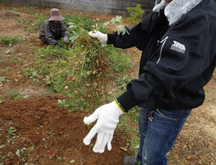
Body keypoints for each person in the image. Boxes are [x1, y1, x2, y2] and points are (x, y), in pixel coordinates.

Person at [83, 0, 216, 165]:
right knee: (145, 138)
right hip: (150, 92)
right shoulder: (168, 7)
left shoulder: (202, 18)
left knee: (154, 154)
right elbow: (138, 34)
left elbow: (168, 71)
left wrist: (120, 105)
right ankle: (140, 160)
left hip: (172, 102)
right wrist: (107, 38)